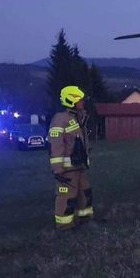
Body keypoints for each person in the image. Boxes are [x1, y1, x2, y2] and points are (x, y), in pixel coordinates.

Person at [49, 86, 94, 230]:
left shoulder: (78, 118)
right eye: (79, 100)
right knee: (66, 197)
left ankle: (85, 219)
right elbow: (55, 145)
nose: (82, 102)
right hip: (67, 170)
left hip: (79, 166)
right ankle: (64, 225)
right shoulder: (60, 120)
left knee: (84, 193)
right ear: (71, 101)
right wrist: (58, 169)